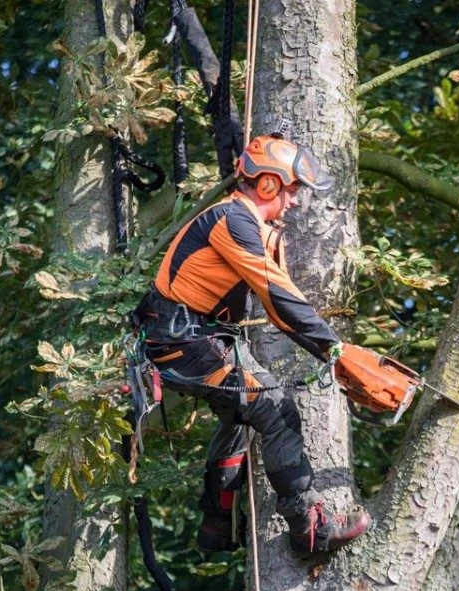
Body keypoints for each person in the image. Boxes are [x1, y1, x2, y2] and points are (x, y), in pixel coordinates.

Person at [131, 133, 370, 554]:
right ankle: (309, 528)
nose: (295, 202)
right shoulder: (233, 221)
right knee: (275, 407)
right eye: (292, 191)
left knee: (239, 415)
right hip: (184, 342)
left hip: (191, 340)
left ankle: (217, 523)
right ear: (267, 184)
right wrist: (335, 350)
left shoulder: (245, 224)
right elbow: (278, 295)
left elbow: (280, 298)